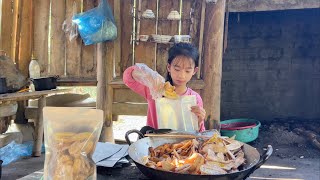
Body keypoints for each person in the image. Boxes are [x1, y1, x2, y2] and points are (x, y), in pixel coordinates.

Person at [123, 42, 206, 132]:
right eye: (177, 69)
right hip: (155, 144)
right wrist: (149, 77)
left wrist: (200, 121)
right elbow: (128, 78)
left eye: (187, 71)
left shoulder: (195, 98)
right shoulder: (155, 89)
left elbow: (200, 133)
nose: (181, 75)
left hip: (184, 145)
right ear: (169, 67)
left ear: (194, 71)